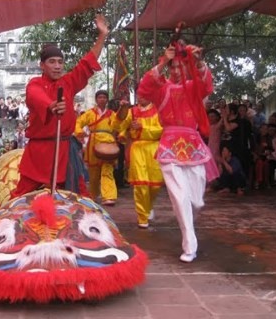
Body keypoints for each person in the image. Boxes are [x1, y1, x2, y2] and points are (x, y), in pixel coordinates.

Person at [11, 14, 109, 198]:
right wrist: (51, 106)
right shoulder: (34, 84)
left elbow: (87, 63)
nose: (57, 66)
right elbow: (36, 97)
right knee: (21, 195)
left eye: (60, 62)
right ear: (42, 65)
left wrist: (102, 35)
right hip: (39, 153)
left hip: (65, 151)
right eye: (52, 62)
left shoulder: (69, 82)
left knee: (76, 197)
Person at [137, 41, 216, 263]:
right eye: (174, 67)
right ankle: (190, 245)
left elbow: (207, 85)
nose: (177, 71)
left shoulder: (192, 88)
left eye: (181, 66)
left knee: (196, 201)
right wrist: (163, 61)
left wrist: (198, 62)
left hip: (193, 146)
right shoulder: (162, 88)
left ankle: (189, 225)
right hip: (170, 146)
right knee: (180, 198)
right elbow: (144, 88)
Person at [114, 96, 164, 228]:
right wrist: (122, 110)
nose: (141, 97)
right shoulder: (133, 111)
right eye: (140, 94)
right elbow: (118, 125)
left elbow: (162, 130)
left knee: (155, 184)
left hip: (154, 148)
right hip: (137, 149)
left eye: (145, 94)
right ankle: (142, 218)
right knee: (141, 183)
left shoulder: (159, 110)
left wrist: (143, 126)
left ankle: (148, 207)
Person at [75, 90, 118, 206]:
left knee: (107, 170)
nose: (102, 99)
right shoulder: (90, 113)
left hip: (108, 143)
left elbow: (119, 125)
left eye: (104, 97)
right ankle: (93, 195)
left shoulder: (112, 114)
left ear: (107, 100)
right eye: (100, 97)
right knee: (93, 173)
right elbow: (78, 122)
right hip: (93, 143)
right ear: (96, 99)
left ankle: (109, 196)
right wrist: (79, 132)